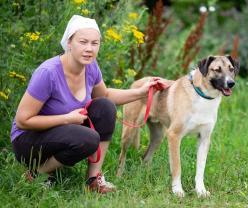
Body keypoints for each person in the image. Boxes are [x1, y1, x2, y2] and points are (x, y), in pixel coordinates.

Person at [10, 15, 161, 194]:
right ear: (69, 43)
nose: (89, 49)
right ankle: (38, 173)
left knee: (105, 107)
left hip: (62, 133)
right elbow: (23, 121)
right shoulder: (48, 73)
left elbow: (104, 95)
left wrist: (141, 92)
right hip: (29, 142)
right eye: (83, 42)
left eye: (95, 43)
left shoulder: (91, 67)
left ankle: (93, 179)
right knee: (88, 138)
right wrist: (67, 119)